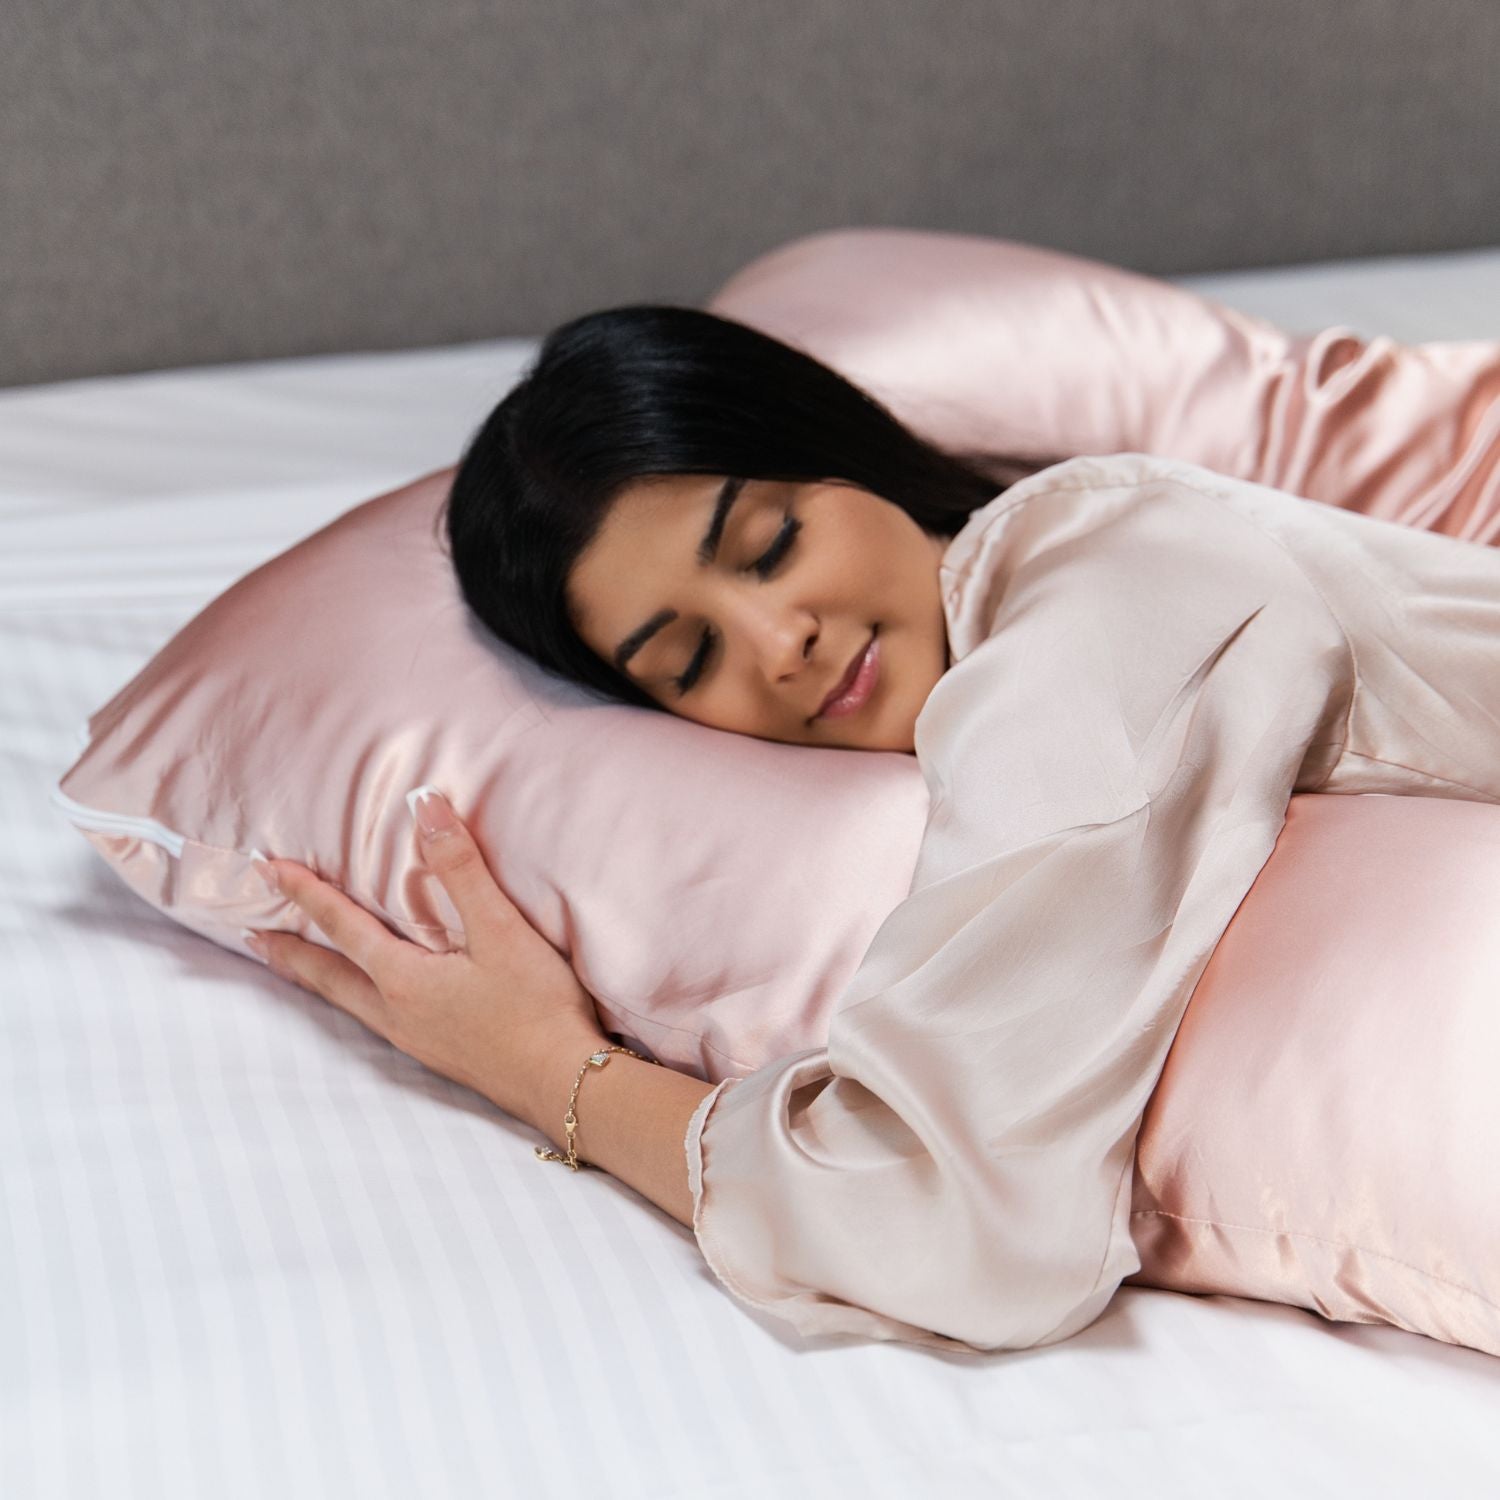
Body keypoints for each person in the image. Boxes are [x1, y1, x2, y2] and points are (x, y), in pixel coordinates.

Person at [244, 306, 1500, 1353]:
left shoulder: (1097, 615)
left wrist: (541, 1070)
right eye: (688, 661)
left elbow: (950, 1216)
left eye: (770, 543)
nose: (777, 640)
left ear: (847, 456)